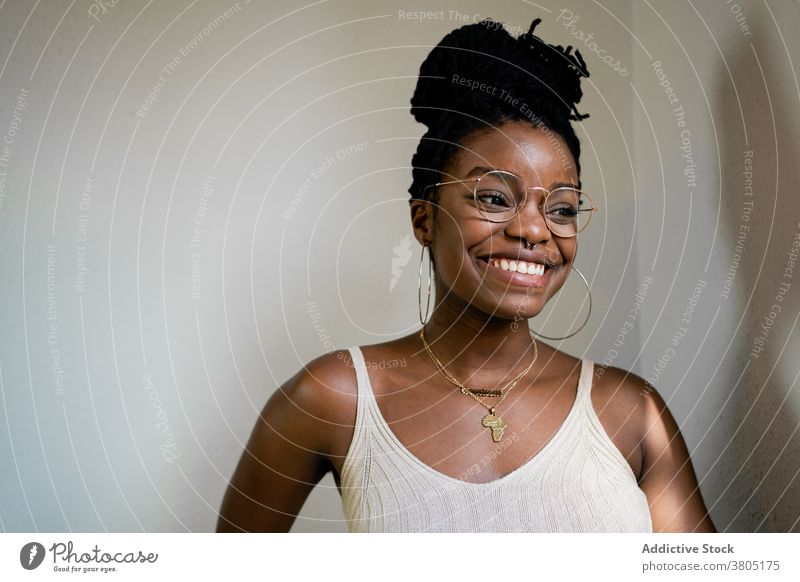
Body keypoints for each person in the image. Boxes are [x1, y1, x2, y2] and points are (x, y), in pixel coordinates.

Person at [216, 17, 715, 533]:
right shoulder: (337, 396)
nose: (534, 230)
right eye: (494, 199)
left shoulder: (630, 409)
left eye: (562, 209)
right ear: (424, 219)